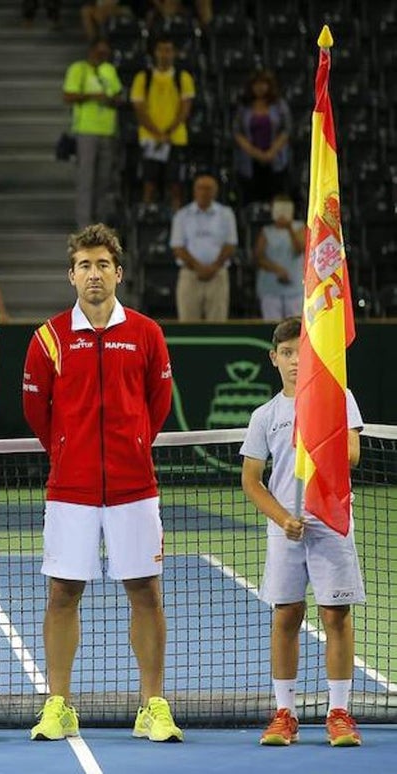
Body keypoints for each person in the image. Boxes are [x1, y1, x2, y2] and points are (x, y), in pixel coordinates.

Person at [22, 223, 181, 743]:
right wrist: (70, 453)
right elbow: (37, 412)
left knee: (145, 593)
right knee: (62, 593)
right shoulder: (47, 338)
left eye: (103, 265)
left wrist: (132, 445)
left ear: (119, 273)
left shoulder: (146, 333)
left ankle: (152, 706)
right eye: (85, 266)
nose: (94, 275)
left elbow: (157, 406)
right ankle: (58, 705)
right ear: (71, 275)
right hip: (71, 490)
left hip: (135, 488)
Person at [240, 317, 366, 748]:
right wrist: (282, 519)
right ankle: (285, 713)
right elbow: (251, 481)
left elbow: (351, 455)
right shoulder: (265, 416)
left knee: (335, 616)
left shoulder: (339, 398)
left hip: (330, 523)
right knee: (287, 616)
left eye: (303, 352)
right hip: (286, 529)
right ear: (274, 359)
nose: (296, 361)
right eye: (287, 353)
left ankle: (339, 712)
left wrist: (318, 428)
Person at [129, 35, 195, 209]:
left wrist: (167, 133)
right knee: (149, 184)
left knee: (175, 186)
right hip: (150, 139)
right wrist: (158, 134)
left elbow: (185, 109)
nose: (164, 54)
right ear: (154, 53)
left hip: (175, 138)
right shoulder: (143, 78)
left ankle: (177, 224)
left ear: (174, 53)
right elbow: (139, 110)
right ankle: (147, 220)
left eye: (168, 50)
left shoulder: (183, 77)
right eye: (161, 50)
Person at [64, 38, 122, 228]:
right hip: (86, 130)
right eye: (100, 53)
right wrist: (92, 96)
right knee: (86, 179)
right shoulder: (78, 69)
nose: (103, 57)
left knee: (104, 180)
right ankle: (84, 224)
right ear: (91, 51)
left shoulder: (109, 70)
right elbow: (68, 95)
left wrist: (112, 99)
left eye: (105, 54)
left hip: (107, 130)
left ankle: (99, 223)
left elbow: (118, 95)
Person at [170, 172, 237, 322]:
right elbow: (178, 247)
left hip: (218, 275)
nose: (204, 192)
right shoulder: (182, 215)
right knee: (187, 325)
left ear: (215, 191)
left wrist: (213, 267)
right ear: (194, 190)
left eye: (208, 188)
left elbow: (230, 244)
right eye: (200, 187)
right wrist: (198, 267)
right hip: (190, 275)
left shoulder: (226, 214)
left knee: (218, 324)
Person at [233, 69, 292, 206]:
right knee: (252, 198)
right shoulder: (244, 107)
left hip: (275, 159)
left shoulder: (279, 105)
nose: (260, 88)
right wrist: (255, 153)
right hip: (249, 161)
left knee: (276, 196)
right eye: (256, 84)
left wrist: (271, 151)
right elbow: (237, 131)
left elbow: (286, 129)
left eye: (264, 84)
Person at [254, 195, 306, 321]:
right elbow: (258, 257)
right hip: (270, 287)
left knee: (294, 326)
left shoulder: (300, 227)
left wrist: (289, 229)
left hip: (295, 288)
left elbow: (299, 249)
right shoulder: (266, 231)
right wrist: (276, 269)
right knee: (272, 324)